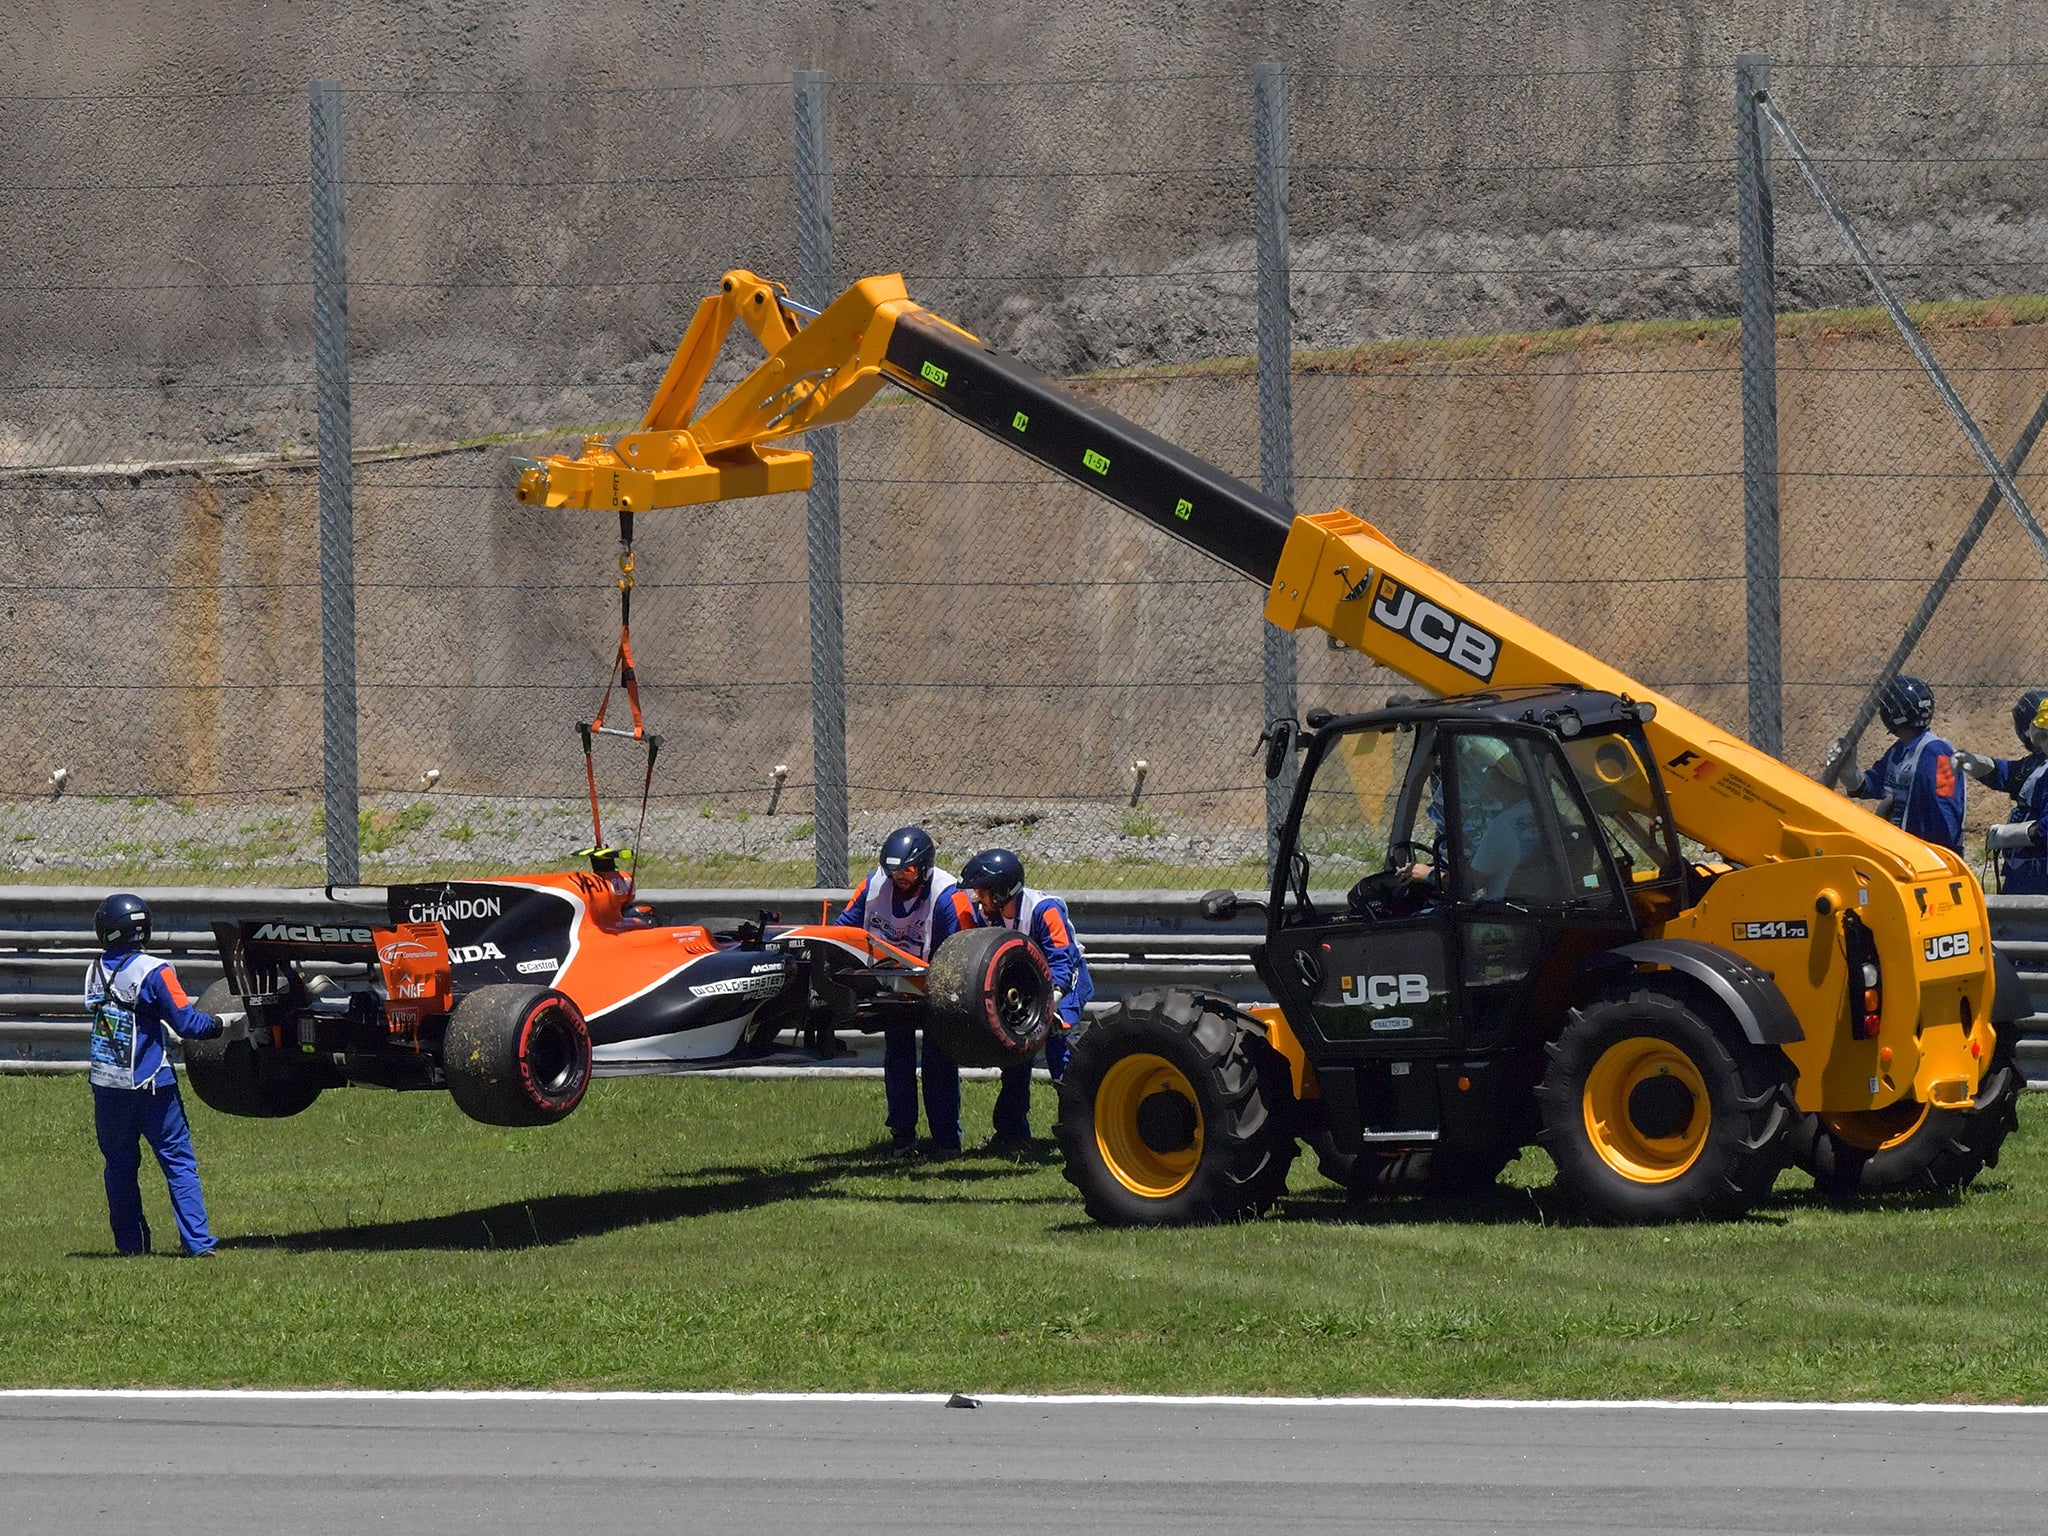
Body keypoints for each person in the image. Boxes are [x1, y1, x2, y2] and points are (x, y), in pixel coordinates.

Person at [84, 893, 238, 1257]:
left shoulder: (93, 970)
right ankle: (198, 1245)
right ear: (143, 929)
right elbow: (186, 1023)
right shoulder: (155, 970)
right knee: (178, 1162)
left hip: (107, 1085)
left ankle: (130, 1246)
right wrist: (223, 1024)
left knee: (119, 1167)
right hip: (153, 1084)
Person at [950, 848, 1093, 1149]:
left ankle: (1082, 1133)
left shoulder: (1045, 910)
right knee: (1014, 1053)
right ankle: (1012, 1134)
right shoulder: (986, 915)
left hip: (1063, 983)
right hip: (1022, 985)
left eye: (982, 892)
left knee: (1060, 1049)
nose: (977, 898)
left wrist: (1050, 1003)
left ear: (1002, 891)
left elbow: (1062, 961)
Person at [839, 827, 966, 1157]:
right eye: (893, 871)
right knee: (897, 1058)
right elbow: (843, 929)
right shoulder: (872, 886)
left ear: (924, 867)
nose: (900, 877)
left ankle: (946, 1142)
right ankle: (902, 1137)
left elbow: (956, 954)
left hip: (935, 987)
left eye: (907, 870)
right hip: (892, 989)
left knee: (939, 1062)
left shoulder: (948, 896)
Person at [1846, 675, 1966, 854]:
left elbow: (1947, 815)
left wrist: (1938, 857)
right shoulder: (1899, 751)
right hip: (1903, 852)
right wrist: (1848, 771)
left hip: (1930, 857)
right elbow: (1868, 787)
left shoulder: (1938, 753)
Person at [1958, 689, 2048, 894]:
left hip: (2039, 873)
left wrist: (2005, 835)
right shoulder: (2035, 764)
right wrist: (1969, 761)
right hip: (2025, 869)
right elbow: (2005, 773)